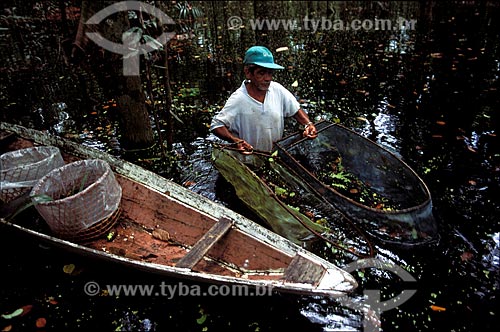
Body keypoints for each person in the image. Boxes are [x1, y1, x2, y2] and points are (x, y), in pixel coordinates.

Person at [210, 45, 317, 152]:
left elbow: (295, 109)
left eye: (270, 73)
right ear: (248, 72)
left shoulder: (277, 90)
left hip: (274, 156)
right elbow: (216, 125)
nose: (268, 78)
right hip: (249, 157)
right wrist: (235, 140)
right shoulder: (239, 99)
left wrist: (308, 124)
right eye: (261, 73)